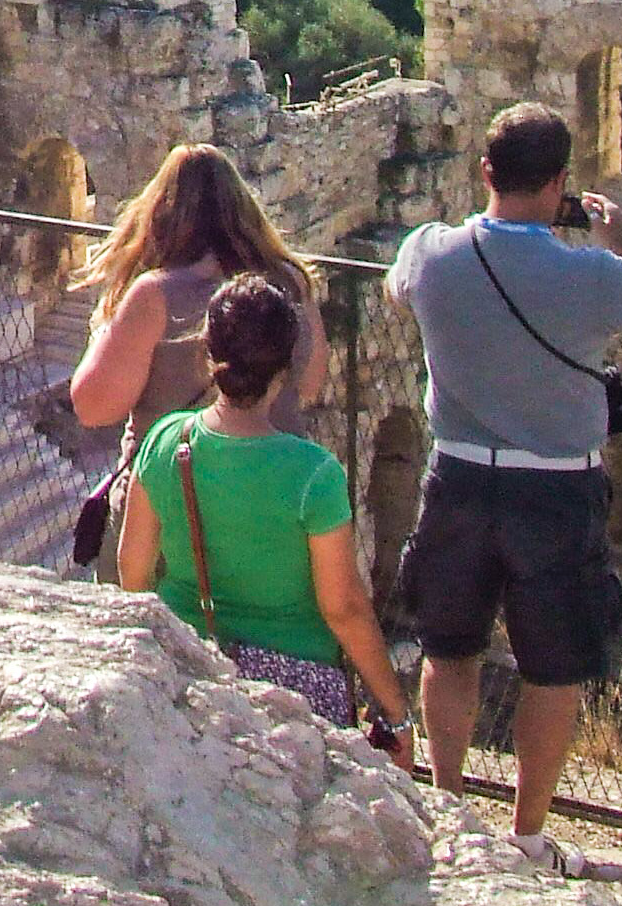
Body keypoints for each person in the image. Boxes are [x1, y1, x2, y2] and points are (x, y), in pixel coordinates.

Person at [386, 101, 622, 875]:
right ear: (562, 182)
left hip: (456, 476)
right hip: (556, 493)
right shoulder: (591, 273)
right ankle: (528, 839)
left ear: (486, 173)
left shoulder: (430, 252)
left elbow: (403, 291)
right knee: (553, 669)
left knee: (449, 649)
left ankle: (448, 809)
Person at [116, 273, 414, 766]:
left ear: (207, 356)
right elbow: (342, 607)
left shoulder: (167, 440)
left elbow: (134, 569)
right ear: (286, 368)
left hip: (192, 666)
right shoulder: (313, 473)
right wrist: (396, 712)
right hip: (299, 688)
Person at [69, 143, 328, 579]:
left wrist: (106, 327)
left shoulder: (155, 295)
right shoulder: (291, 284)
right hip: (271, 502)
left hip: (168, 510)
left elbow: (94, 405)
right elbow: (310, 384)